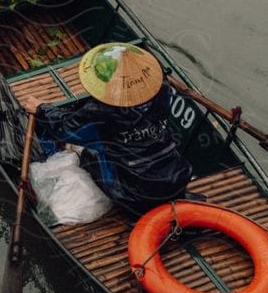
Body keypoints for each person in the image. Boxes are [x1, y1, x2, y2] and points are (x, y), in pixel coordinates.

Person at [26, 43, 208, 214]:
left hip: (133, 194)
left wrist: (41, 109)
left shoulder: (102, 112)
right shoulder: (162, 88)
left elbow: (65, 128)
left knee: (88, 154)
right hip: (176, 179)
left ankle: (134, 209)